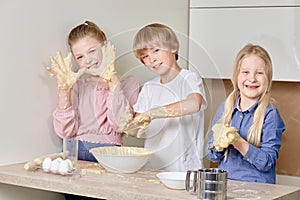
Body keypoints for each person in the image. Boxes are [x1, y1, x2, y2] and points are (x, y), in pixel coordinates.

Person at [47, 21, 139, 200]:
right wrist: (64, 90)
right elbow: (64, 131)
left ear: (106, 47)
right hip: (75, 156)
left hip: (110, 158)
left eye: (92, 51)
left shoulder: (128, 84)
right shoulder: (77, 85)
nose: (87, 60)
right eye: (80, 57)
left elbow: (120, 124)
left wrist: (113, 81)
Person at [122, 23, 207, 172]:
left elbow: (194, 103)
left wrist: (154, 113)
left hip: (184, 169)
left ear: (173, 47)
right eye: (145, 56)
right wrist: (129, 126)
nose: (151, 59)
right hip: (153, 168)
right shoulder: (149, 88)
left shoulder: (189, 78)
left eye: (155, 50)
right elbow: (139, 128)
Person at [205, 44, 286, 184]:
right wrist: (219, 144)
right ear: (236, 76)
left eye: (259, 73)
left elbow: (267, 162)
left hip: (259, 190)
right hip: (226, 186)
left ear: (268, 78)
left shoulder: (270, 115)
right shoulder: (224, 109)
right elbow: (212, 156)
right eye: (246, 72)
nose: (252, 78)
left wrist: (238, 141)